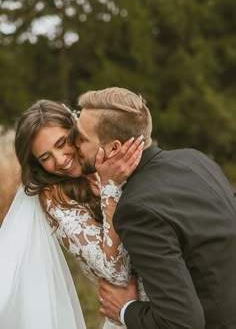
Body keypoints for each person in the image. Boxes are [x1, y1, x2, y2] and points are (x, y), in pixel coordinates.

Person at [75, 87, 236, 329]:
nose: (73, 143)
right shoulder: (195, 159)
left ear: (114, 149)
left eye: (82, 138)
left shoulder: (136, 209)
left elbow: (181, 322)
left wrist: (125, 309)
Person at [0, 99, 144, 329]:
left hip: (175, 301)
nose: (60, 160)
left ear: (78, 131)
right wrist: (109, 189)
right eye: (45, 157)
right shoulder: (55, 198)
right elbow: (116, 272)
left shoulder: (113, 158)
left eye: (62, 142)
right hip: (129, 317)